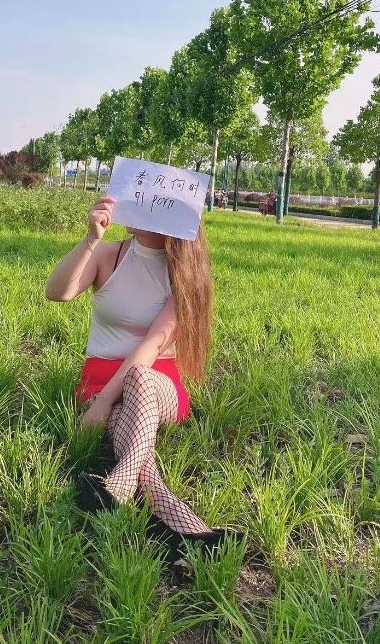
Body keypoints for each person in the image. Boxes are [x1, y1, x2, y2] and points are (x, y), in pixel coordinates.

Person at [45, 195, 243, 555]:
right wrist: (91, 238)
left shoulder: (185, 275)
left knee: (139, 375)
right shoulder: (109, 256)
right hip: (99, 378)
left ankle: (118, 485)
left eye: (148, 202)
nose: (133, 204)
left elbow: (151, 347)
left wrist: (102, 404)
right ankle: (190, 531)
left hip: (157, 385)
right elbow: (57, 293)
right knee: (138, 448)